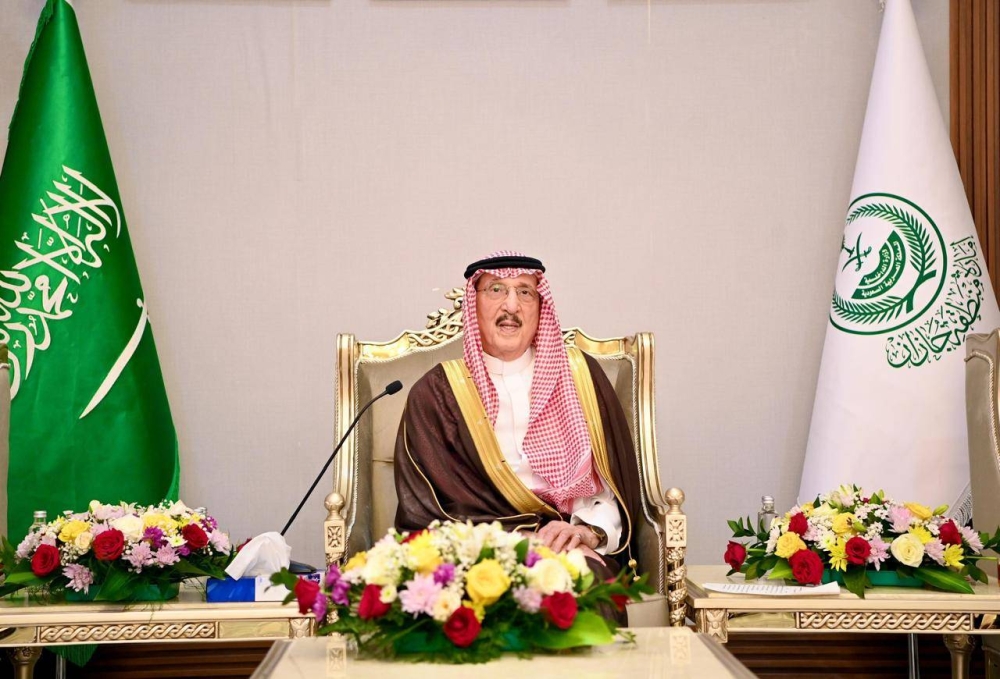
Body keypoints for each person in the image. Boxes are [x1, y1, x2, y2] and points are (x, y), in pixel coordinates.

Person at [393, 251, 642, 576]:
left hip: (568, 548)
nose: (511, 306)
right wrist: (518, 542)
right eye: (496, 289)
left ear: (540, 307)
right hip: (475, 556)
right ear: (473, 305)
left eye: (525, 292)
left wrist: (587, 532)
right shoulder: (437, 393)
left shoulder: (580, 377)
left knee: (580, 589)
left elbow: (615, 493)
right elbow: (423, 512)